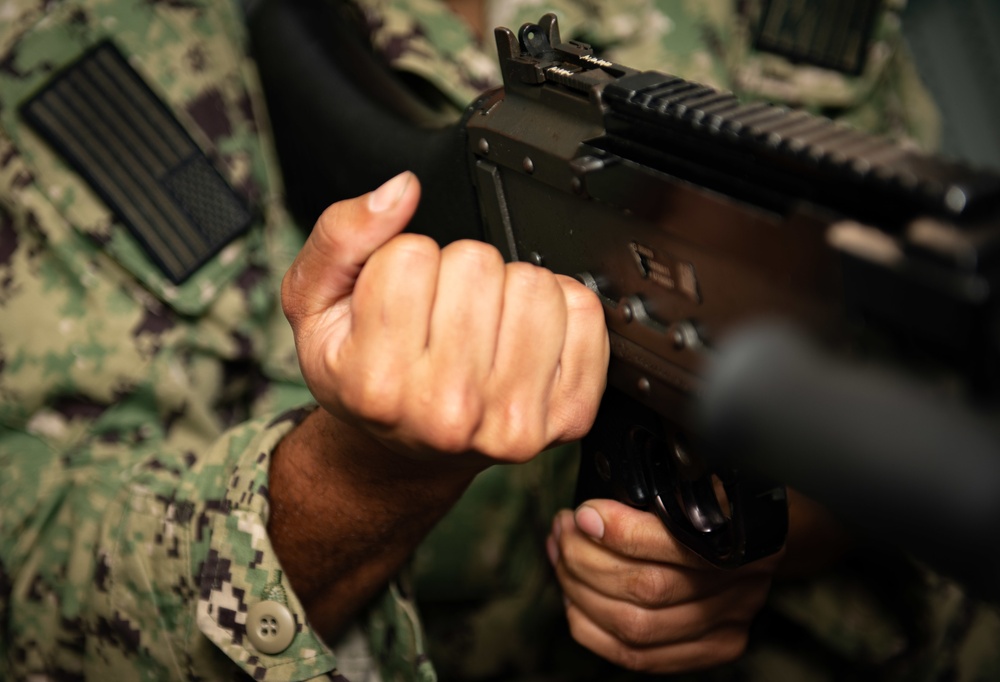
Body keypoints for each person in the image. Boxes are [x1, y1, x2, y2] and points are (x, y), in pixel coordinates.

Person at [0, 2, 997, 682]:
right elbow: (33, 578)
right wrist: (363, 474)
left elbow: (910, 393)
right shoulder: (63, 59)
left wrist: (758, 538)